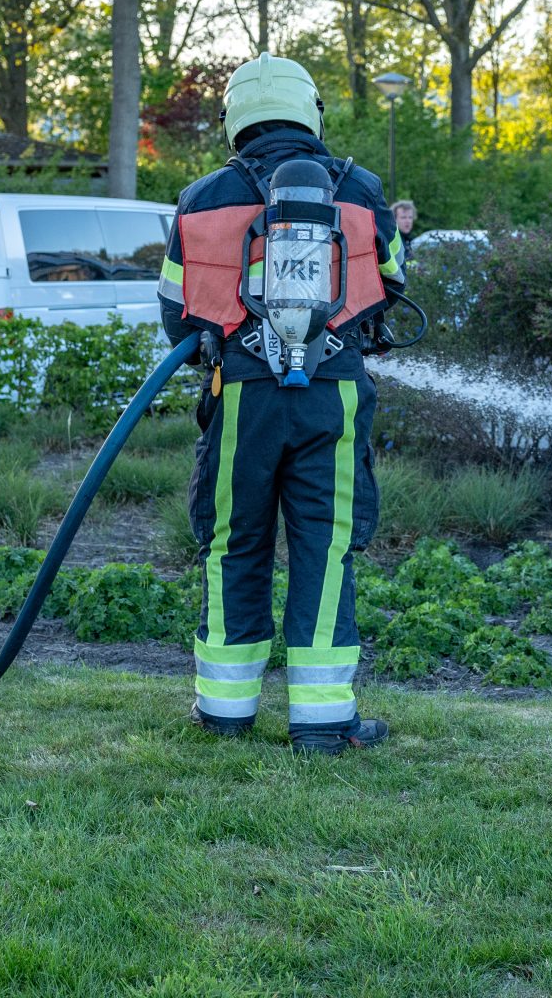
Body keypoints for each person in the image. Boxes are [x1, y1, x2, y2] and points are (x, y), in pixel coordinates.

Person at [158, 53, 405, 755]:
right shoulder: (358, 187)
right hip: (333, 396)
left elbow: (177, 315)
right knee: (324, 549)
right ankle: (324, 723)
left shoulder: (202, 197)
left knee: (234, 545)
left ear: (235, 117)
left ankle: (225, 713)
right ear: (310, 111)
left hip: (242, 396)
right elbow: (392, 281)